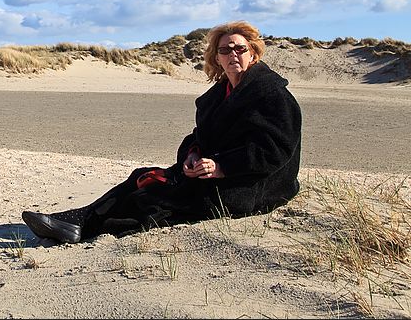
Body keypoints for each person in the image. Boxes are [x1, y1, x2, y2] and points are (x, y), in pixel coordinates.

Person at [22, 21, 302, 244]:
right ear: (216, 57)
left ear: (253, 52)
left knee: (154, 200)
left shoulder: (271, 95)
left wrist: (221, 167)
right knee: (143, 177)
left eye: (239, 48)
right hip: (213, 173)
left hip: (252, 186)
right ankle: (77, 218)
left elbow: (275, 150)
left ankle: (85, 228)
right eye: (225, 50)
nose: (233, 55)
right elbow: (199, 137)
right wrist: (192, 155)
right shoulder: (219, 94)